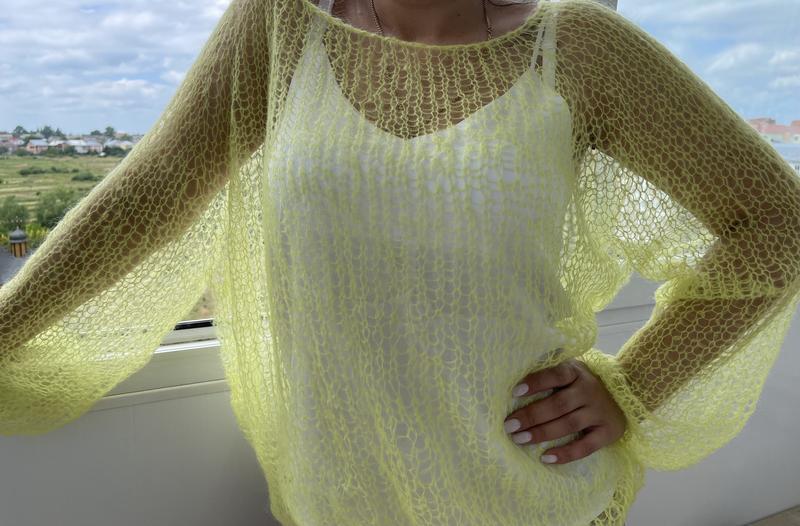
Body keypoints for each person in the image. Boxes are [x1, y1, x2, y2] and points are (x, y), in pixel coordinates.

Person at [2, 0, 799, 524]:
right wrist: (8, 325)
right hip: (335, 498)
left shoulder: (582, 47)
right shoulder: (281, 25)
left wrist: (638, 387)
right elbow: (151, 194)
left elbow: (777, 223)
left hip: (528, 494)